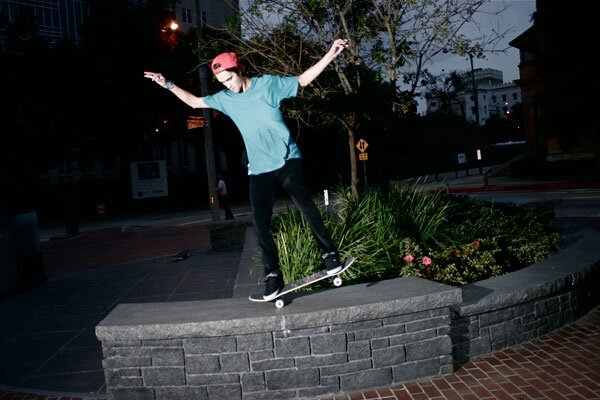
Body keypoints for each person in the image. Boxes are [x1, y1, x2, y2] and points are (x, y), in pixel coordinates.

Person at [144, 38, 349, 300]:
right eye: (222, 84)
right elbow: (195, 103)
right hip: (259, 169)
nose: (227, 86)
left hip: (288, 160)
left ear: (238, 70)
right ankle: (272, 275)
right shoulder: (226, 99)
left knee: (305, 206)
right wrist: (167, 84)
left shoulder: (268, 85)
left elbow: (303, 80)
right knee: (259, 222)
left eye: (229, 80)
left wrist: (330, 53)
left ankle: (329, 255)